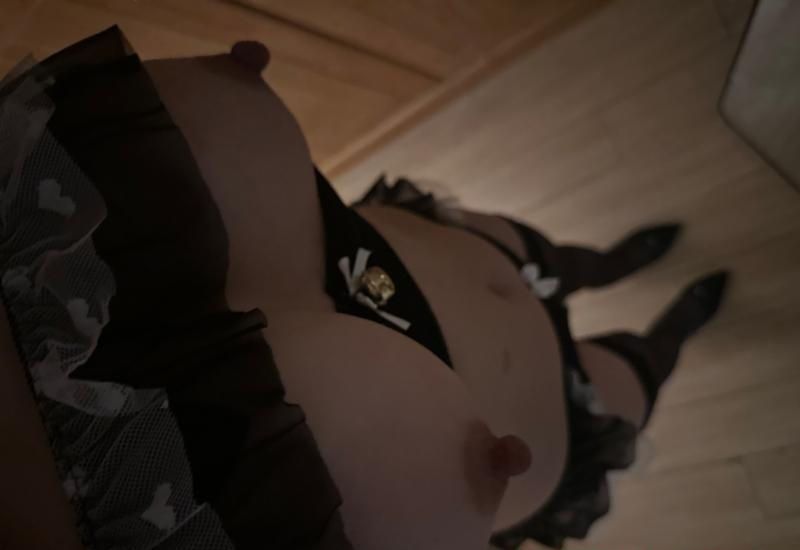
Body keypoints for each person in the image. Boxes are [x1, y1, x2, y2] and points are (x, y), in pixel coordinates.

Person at [0, 27, 728, 550]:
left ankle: (606, 264)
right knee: (639, 361)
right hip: (558, 410)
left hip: (434, 248)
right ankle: (674, 329)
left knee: (560, 259)